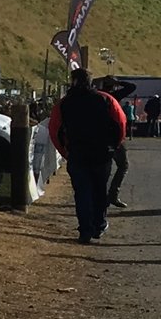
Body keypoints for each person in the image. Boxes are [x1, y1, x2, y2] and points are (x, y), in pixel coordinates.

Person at [48, 65, 128, 243]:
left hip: (77, 153)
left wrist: (65, 151)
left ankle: (85, 229)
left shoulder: (64, 103)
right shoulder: (105, 99)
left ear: (73, 81)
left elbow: (54, 130)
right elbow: (121, 123)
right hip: (102, 153)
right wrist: (113, 146)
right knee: (99, 190)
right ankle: (99, 225)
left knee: (82, 192)